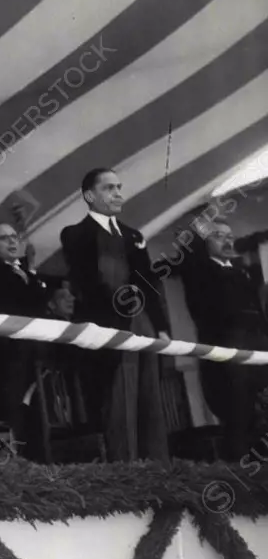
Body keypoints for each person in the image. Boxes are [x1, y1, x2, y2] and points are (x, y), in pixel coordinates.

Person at [60, 168, 171, 462]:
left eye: (119, 187)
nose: (118, 193)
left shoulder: (134, 234)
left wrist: (160, 326)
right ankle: (126, 473)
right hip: (108, 324)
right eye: (109, 188)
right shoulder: (74, 233)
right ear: (89, 195)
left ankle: (158, 472)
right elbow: (86, 283)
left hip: (143, 322)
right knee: (118, 402)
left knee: (150, 400)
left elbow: (149, 282)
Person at [177, 218, 268, 460]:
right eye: (219, 236)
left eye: (229, 236)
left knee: (261, 414)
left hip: (257, 350)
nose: (227, 241)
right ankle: (239, 475)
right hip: (227, 354)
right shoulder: (199, 271)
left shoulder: (242, 271)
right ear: (204, 243)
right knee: (238, 417)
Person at [0, 165, 48, 440]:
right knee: (13, 422)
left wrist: (32, 270)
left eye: (14, 237)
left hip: (34, 357)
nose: (12, 241)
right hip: (4, 360)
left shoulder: (27, 273)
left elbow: (40, 304)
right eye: (4, 238)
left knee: (38, 420)